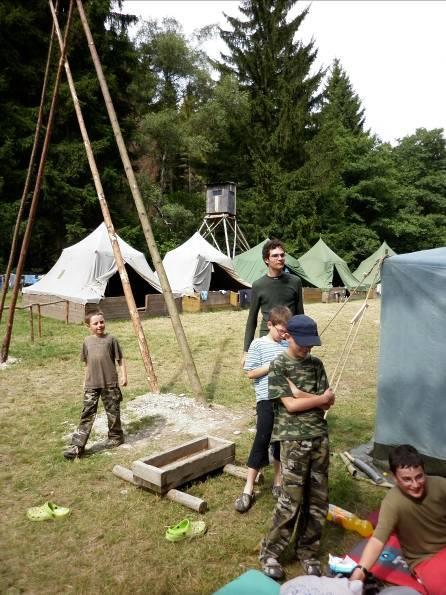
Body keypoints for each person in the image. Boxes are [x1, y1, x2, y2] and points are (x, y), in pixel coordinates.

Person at [259, 314, 335, 581]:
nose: (307, 349)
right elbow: (290, 406)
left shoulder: (316, 364)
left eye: (311, 344)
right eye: (302, 343)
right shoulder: (278, 365)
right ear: (287, 335)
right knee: (291, 501)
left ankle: (308, 552)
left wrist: (305, 396)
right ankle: (270, 552)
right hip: (293, 440)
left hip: (319, 438)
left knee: (318, 500)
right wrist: (317, 399)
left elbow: (328, 403)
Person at [350, 444, 446, 594]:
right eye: (407, 479)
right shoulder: (392, 503)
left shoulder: (440, 485)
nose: (415, 484)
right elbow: (377, 540)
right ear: (394, 478)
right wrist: (360, 572)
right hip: (426, 561)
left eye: (419, 476)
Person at [235, 306, 292, 513]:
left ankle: (278, 480)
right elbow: (250, 373)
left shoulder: (287, 344)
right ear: (270, 325)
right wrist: (272, 365)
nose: (283, 335)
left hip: (285, 400)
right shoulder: (258, 344)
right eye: (280, 331)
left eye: (286, 332)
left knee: (280, 439)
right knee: (262, 439)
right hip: (266, 400)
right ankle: (248, 486)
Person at [63, 311, 127, 460]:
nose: (100, 325)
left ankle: (116, 437)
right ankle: (77, 447)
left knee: (113, 412)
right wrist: (85, 380)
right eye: (96, 323)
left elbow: (121, 359)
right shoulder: (87, 341)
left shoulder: (111, 339)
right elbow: (87, 363)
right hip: (92, 384)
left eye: (101, 322)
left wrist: (124, 375)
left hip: (109, 383)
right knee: (87, 414)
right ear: (88, 326)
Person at [242, 239, 304, 362]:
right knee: (268, 377)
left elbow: (300, 314)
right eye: (275, 256)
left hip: (289, 338)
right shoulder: (258, 285)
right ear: (266, 259)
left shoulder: (295, 281)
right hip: (267, 339)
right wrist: (246, 350)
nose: (280, 258)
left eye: (282, 255)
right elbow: (252, 319)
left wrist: (303, 340)